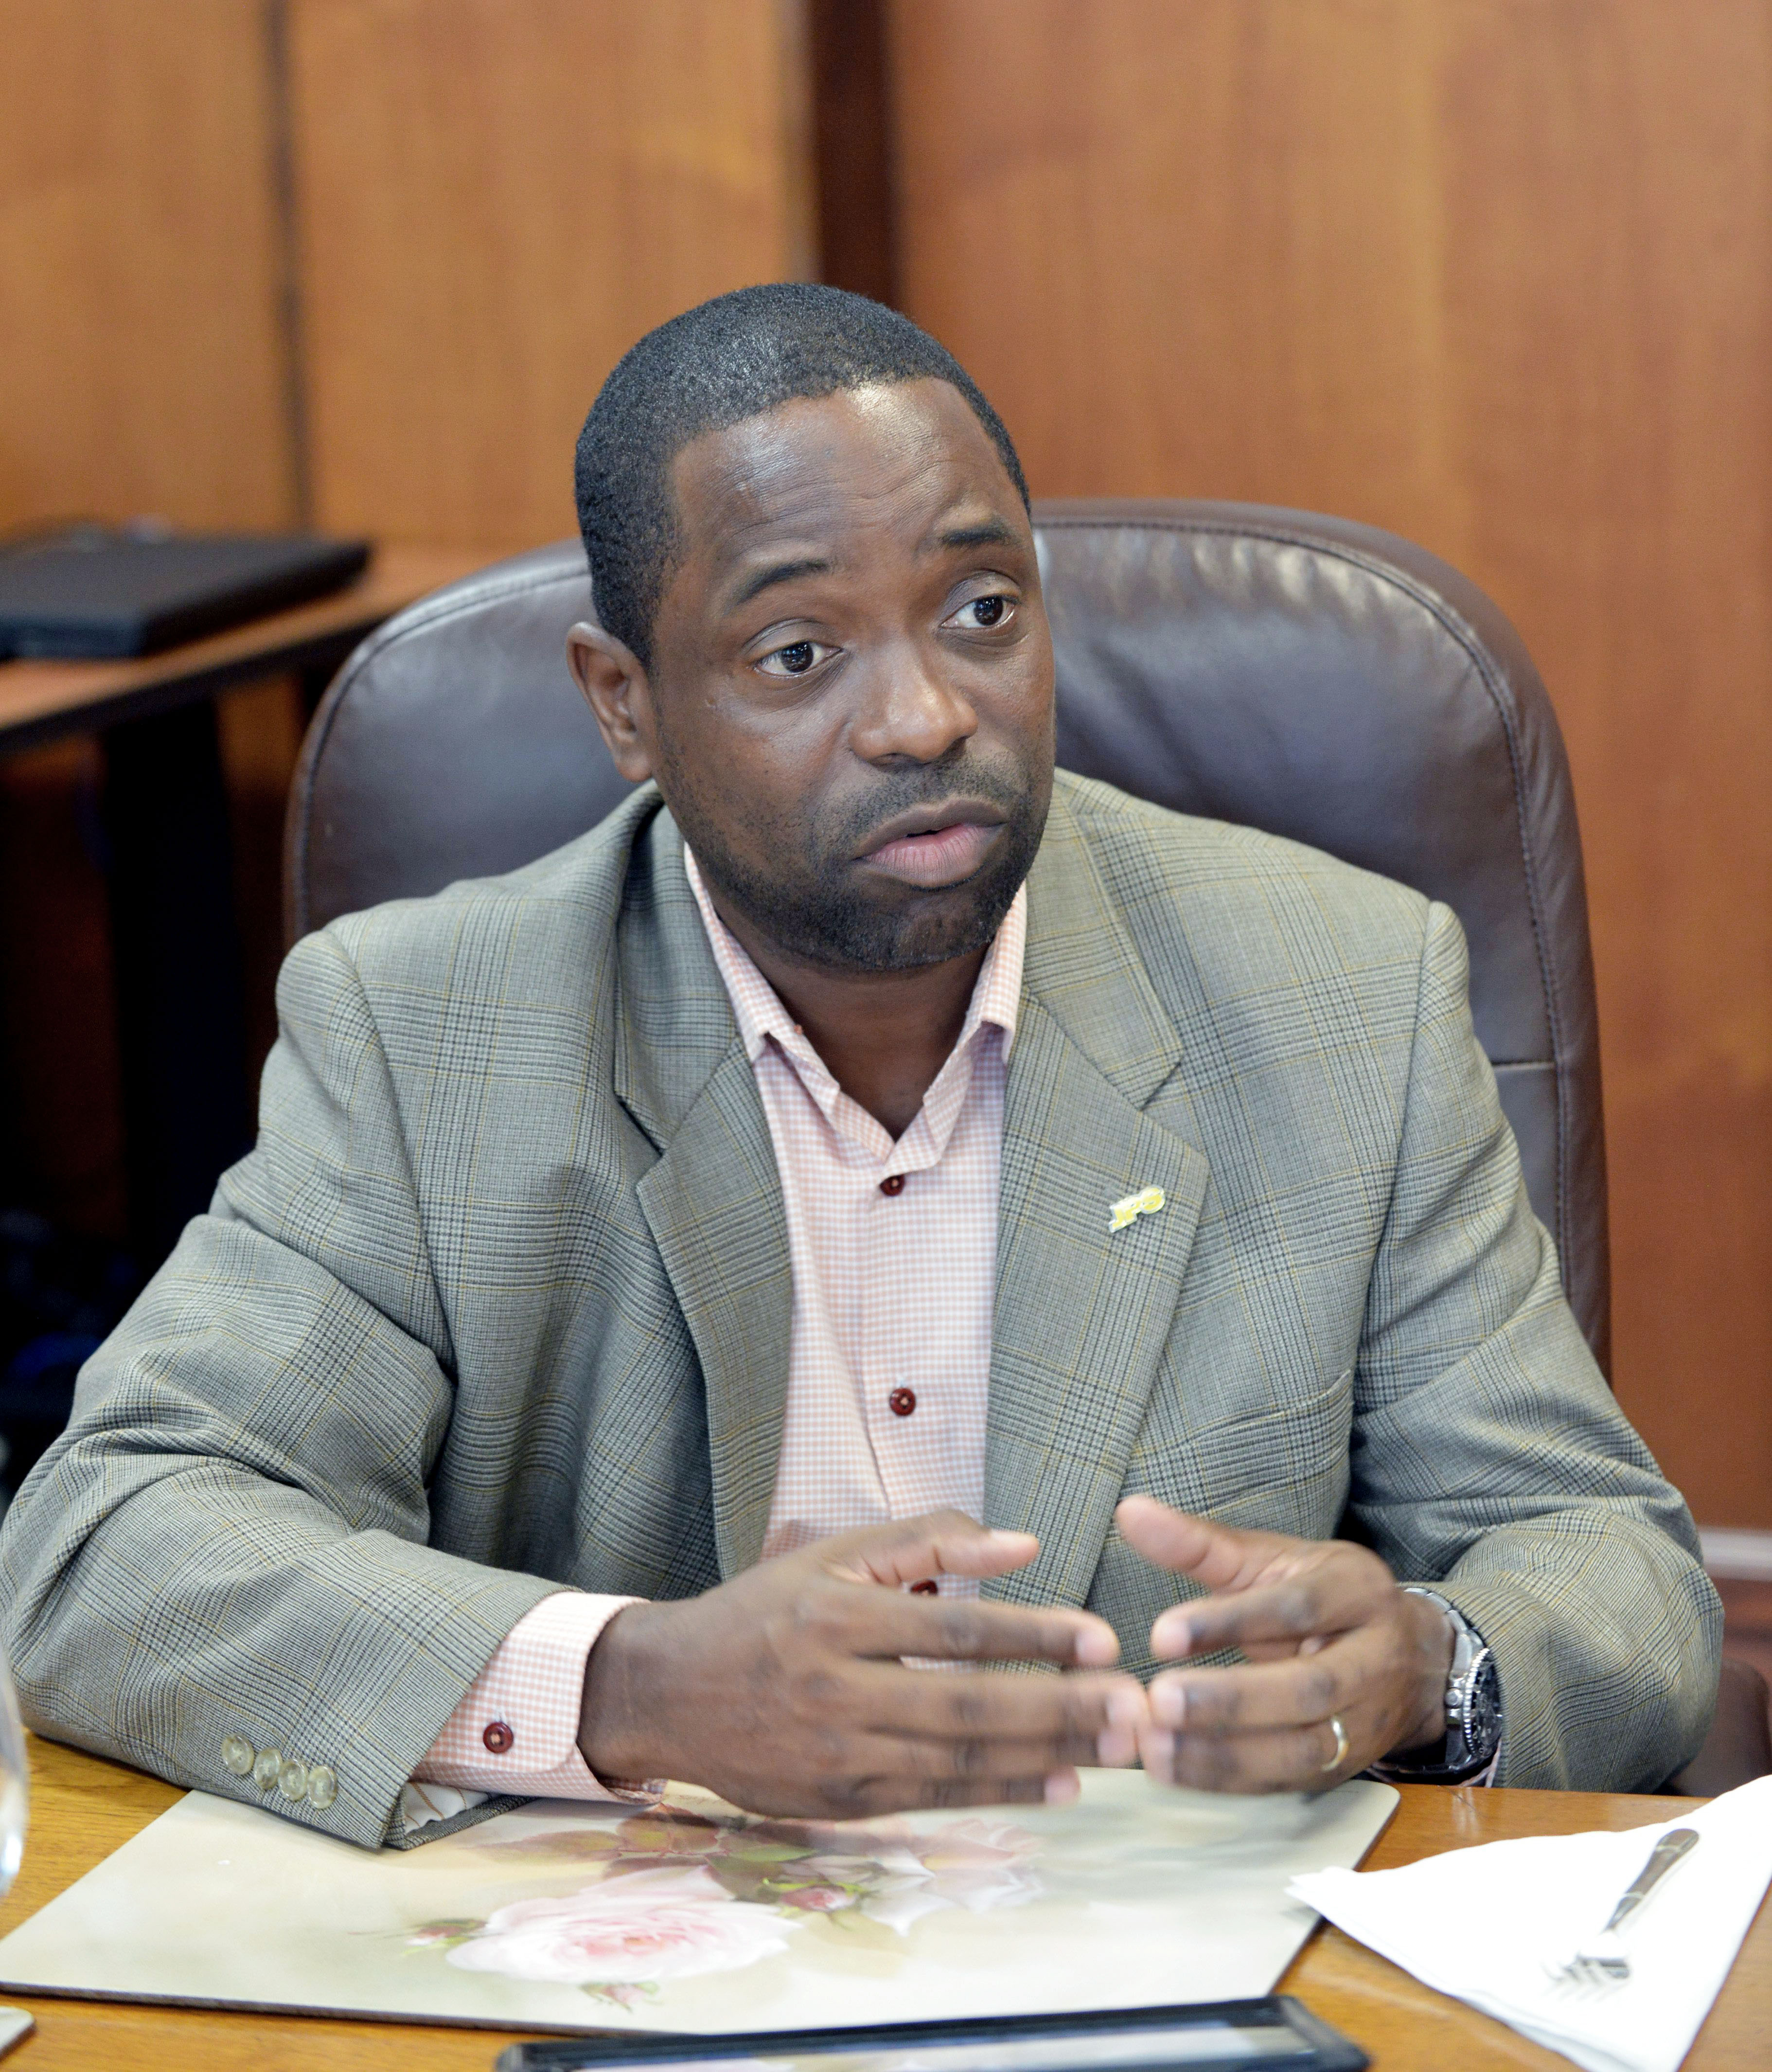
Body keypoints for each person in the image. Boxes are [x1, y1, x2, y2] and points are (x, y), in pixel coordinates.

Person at [0, 286, 1719, 1850]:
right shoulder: (427, 1032)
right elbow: (105, 1545)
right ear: (624, 704)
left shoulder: (1339, 986)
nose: (922, 716)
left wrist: (1422, 1662)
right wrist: (635, 1684)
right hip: (642, 1986)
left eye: (981, 609)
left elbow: (1606, 1561)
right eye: (798, 653)